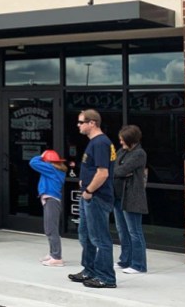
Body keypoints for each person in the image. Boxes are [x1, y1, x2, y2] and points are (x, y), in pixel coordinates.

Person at [68, 109, 117, 289]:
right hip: (89, 195)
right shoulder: (95, 143)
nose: (78, 125)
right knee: (85, 235)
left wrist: (88, 190)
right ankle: (90, 270)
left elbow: (102, 173)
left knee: (99, 238)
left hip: (97, 197)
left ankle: (106, 277)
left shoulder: (101, 143)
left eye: (81, 122)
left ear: (92, 123)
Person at [113, 125, 148, 274]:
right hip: (118, 197)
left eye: (122, 139)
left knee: (134, 231)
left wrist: (119, 172)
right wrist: (118, 172)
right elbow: (113, 169)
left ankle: (138, 264)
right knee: (122, 231)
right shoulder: (122, 152)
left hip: (132, 197)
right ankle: (125, 260)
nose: (120, 142)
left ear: (130, 139)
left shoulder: (139, 153)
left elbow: (122, 170)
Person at [29, 149, 68, 266]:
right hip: (51, 200)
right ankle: (53, 253)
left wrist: (41, 156)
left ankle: (56, 257)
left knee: (51, 229)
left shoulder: (51, 169)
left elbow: (33, 162)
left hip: (52, 200)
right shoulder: (55, 169)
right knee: (49, 228)